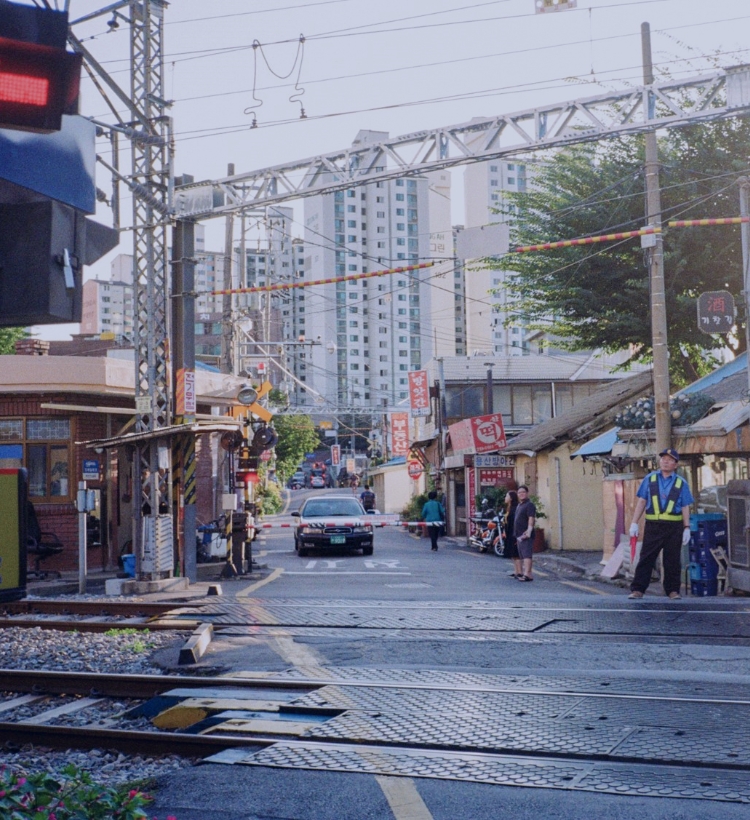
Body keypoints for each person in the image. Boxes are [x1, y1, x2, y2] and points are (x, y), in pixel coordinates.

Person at [628, 448, 693, 600]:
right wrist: (634, 523)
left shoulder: (680, 482)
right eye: (663, 458)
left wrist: (687, 528)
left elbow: (685, 506)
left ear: (675, 464)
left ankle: (672, 591)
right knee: (646, 558)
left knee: (672, 560)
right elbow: (642, 501)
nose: (665, 461)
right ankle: (638, 590)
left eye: (670, 459)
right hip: (653, 525)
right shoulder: (650, 479)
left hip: (674, 527)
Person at [513, 485, 536, 581]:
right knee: (522, 555)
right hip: (519, 535)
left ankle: (528, 574)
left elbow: (531, 517)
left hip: (525, 534)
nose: (521, 494)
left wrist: (529, 530)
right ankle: (524, 573)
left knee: (527, 554)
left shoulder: (529, 505)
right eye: (519, 493)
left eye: (523, 492)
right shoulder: (520, 505)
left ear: (527, 493)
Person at [503, 490, 522, 578]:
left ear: (511, 498)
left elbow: (516, 522)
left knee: (516, 553)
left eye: (506, 496)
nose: (505, 498)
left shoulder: (515, 508)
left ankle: (520, 572)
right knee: (512, 554)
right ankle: (516, 571)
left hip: (514, 533)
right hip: (509, 532)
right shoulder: (509, 508)